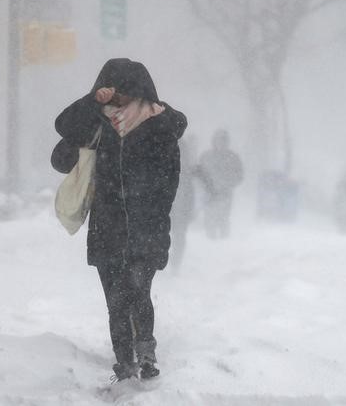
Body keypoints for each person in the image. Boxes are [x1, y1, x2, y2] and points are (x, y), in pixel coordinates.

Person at [52, 58, 187, 382]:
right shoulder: (97, 123)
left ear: (137, 91)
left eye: (120, 92)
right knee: (115, 297)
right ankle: (124, 360)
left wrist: (153, 211)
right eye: (109, 91)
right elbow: (63, 132)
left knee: (138, 289)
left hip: (147, 225)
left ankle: (146, 351)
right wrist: (91, 100)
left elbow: (170, 177)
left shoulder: (159, 124)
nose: (115, 99)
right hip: (107, 226)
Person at [198, 129, 243, 239]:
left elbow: (239, 175)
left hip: (225, 193)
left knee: (223, 218)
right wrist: (205, 186)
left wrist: (228, 184)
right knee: (209, 219)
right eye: (219, 140)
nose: (221, 143)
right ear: (214, 141)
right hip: (209, 193)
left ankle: (224, 244)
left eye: (223, 141)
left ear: (227, 142)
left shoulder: (233, 157)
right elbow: (199, 174)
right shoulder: (206, 156)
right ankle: (210, 243)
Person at [169, 135, 197, 272]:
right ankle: (165, 263)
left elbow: (190, 193)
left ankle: (175, 264)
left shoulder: (186, 173)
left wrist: (189, 210)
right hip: (166, 208)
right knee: (165, 236)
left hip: (179, 208)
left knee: (178, 236)